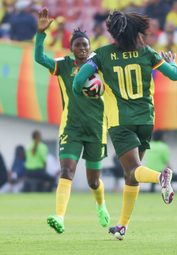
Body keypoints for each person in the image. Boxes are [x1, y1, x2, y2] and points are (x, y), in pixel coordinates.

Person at [73, 10, 177, 240]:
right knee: (132, 174)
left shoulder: (101, 54)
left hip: (121, 122)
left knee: (133, 170)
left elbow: (78, 82)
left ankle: (161, 178)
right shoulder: (147, 52)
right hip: (145, 120)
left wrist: (89, 91)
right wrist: (174, 64)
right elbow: (173, 76)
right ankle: (122, 226)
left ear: (112, 32)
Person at [34, 8, 110, 234]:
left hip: (96, 129)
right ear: (71, 48)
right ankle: (59, 217)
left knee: (93, 182)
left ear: (90, 48)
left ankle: (101, 204)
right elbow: (39, 58)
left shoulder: (100, 67)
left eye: (85, 45)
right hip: (71, 128)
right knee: (66, 171)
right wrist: (41, 33)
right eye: (78, 45)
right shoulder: (64, 65)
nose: (82, 48)